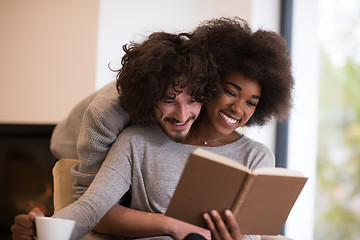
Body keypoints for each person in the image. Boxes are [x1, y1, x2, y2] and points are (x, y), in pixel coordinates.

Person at [11, 17, 294, 240]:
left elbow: (251, 235)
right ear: (212, 85)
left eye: (251, 103)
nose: (238, 108)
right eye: (231, 93)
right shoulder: (135, 141)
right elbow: (91, 207)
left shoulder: (258, 157)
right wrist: (42, 227)